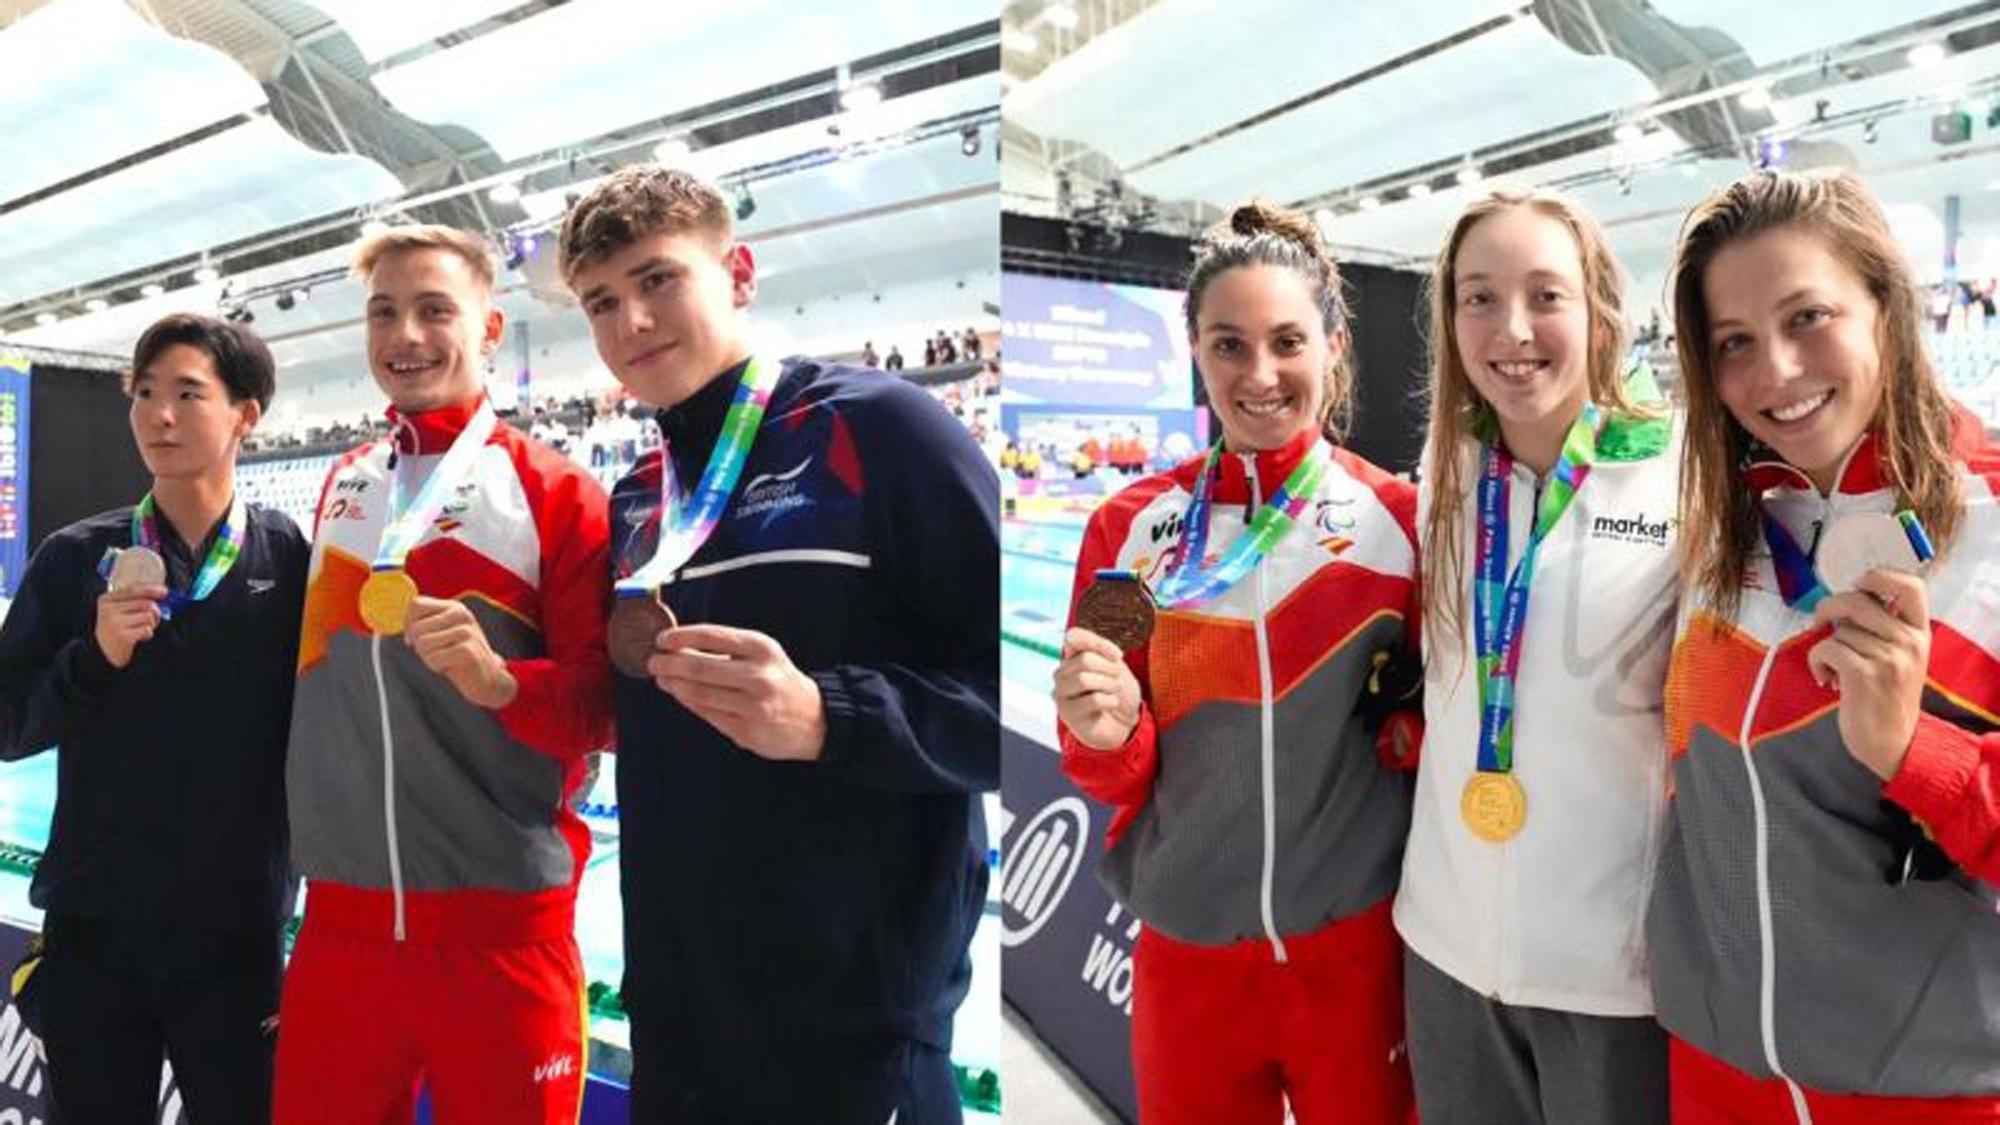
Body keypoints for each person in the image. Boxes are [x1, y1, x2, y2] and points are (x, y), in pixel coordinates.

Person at [558, 165, 998, 1123]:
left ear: (739, 272)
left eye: (658, 279)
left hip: (851, 1028)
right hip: (680, 1019)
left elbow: (1004, 703)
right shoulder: (640, 492)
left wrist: (828, 717)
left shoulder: (882, 428)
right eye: (601, 302)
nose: (630, 321)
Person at [1054, 200, 1419, 1124]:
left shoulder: (1401, 522)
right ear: (1195, 352)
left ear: (1333, 346)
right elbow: (1105, 760)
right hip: (1189, 956)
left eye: (1287, 341)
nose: (1260, 375)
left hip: (1356, 950)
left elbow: (1428, 731)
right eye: (1228, 345)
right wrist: (1107, 731)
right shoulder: (1127, 530)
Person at [1653, 168, 2000, 1122]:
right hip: (1717, 1070)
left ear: (1884, 307)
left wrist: (1915, 754)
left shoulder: (1993, 520)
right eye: (1735, 343)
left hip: (1924, 1091)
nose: (1775, 372)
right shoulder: (1726, 539)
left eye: (1808, 316)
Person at [272, 225, 613, 1124]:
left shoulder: (554, 492)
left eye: (435, 310)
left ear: (491, 328)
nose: (405, 335)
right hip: (341, 931)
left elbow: (604, 711)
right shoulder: (346, 482)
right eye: (384, 312)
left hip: (500, 933)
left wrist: (506, 684)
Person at [1394, 186, 1679, 1124]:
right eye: (1479, 297)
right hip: (1443, 948)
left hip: (1611, 974)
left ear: (1599, 308)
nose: (1511, 329)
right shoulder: (1443, 476)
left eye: (1545, 294)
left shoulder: (1684, 476)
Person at [0, 314, 306, 1123]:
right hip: (97, 935)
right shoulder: (73, 558)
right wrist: (92, 658)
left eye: (186, 393)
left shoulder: (291, 559)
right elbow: (7, 726)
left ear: (247, 413)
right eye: (143, 392)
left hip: (235, 943)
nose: (157, 414)